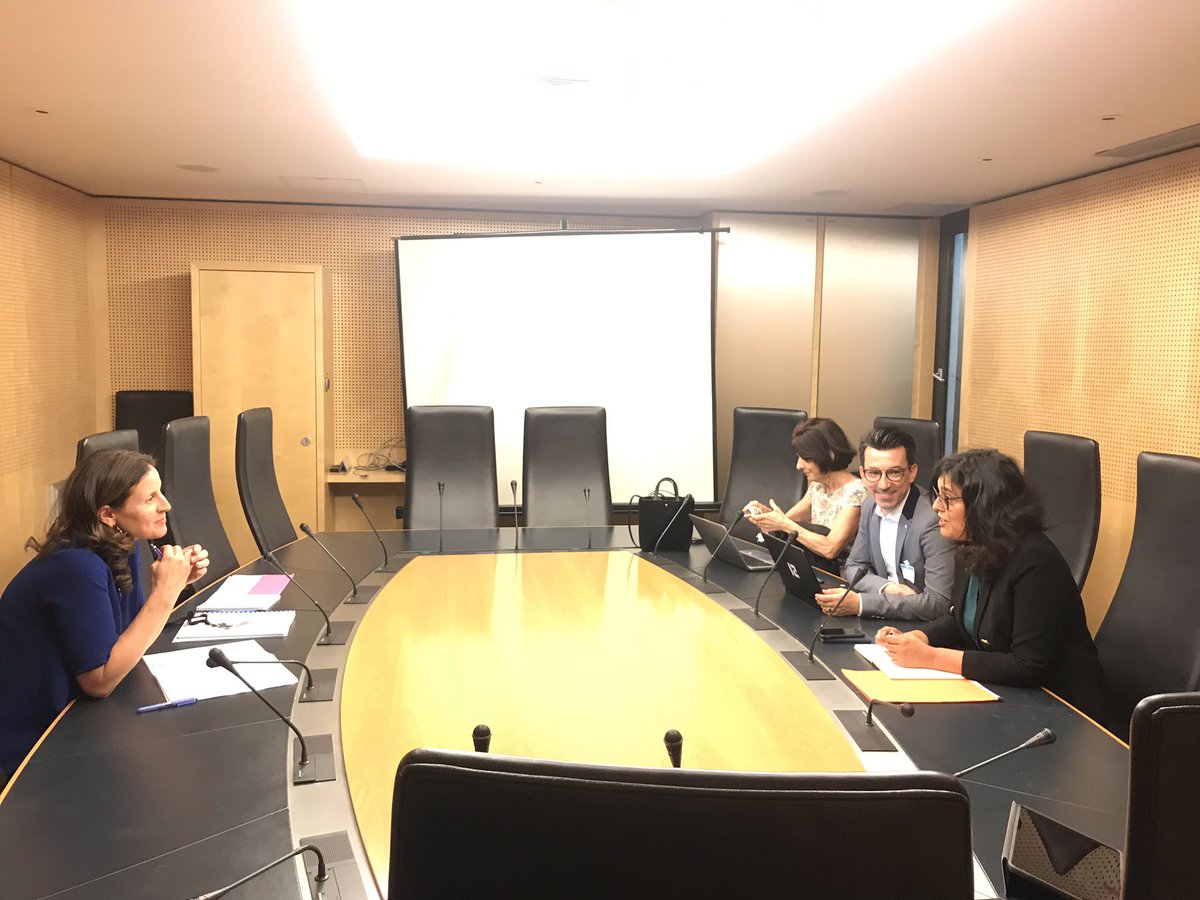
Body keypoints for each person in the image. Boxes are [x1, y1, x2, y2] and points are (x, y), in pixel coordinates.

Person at [0, 449, 210, 782]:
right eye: (150, 498)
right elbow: (99, 681)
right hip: (31, 751)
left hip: (78, 722)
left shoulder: (123, 543)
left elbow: (126, 638)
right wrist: (165, 594)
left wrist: (175, 583)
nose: (166, 505)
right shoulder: (76, 567)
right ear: (109, 514)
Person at [874, 449, 1109, 724]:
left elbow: (1028, 666)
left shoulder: (1036, 561)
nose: (936, 506)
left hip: (1064, 712)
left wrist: (931, 657)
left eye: (947, 499)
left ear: (983, 505)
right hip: (1009, 700)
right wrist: (917, 638)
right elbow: (959, 619)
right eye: (937, 496)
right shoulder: (972, 546)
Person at [814, 425, 953, 620]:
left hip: (922, 627)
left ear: (912, 472)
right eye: (873, 473)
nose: (883, 484)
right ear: (862, 473)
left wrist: (862, 604)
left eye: (894, 472)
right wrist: (887, 587)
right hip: (885, 620)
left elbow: (937, 604)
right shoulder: (869, 505)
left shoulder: (932, 519)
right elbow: (853, 566)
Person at [744, 417, 865, 564]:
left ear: (830, 455)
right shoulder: (818, 486)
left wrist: (782, 523)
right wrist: (767, 516)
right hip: (815, 566)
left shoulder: (857, 491)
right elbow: (787, 522)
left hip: (840, 572)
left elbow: (830, 549)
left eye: (806, 459)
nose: (798, 466)